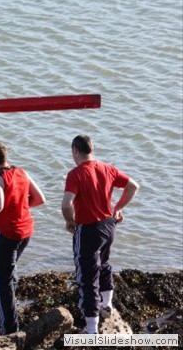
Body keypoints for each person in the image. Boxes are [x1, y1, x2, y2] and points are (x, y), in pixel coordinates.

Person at [61, 135, 139, 334]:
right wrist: (118, 208)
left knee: (87, 277)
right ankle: (107, 305)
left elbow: (66, 203)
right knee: (104, 264)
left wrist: (70, 221)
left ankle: (91, 330)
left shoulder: (75, 174)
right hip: (108, 226)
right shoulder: (108, 168)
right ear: (91, 150)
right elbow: (133, 186)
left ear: (75, 150)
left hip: (88, 230)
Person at [0, 141, 45, 335]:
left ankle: (8, 328)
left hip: (7, 234)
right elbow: (40, 199)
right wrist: (18, 206)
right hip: (26, 232)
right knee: (9, 274)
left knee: (1, 281)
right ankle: (6, 314)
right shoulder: (22, 173)